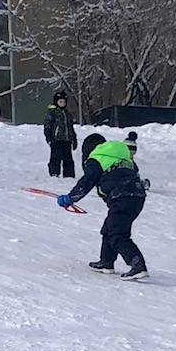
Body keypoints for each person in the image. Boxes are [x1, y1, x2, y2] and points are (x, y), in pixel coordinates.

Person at [57, 133, 148, 280]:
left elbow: (87, 181)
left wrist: (71, 198)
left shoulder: (97, 158)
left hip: (121, 197)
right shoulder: (122, 157)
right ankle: (106, 262)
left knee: (117, 234)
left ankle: (137, 264)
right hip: (137, 197)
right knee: (109, 229)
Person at [43, 90, 77, 179]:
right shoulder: (52, 112)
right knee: (56, 157)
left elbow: (70, 127)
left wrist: (74, 139)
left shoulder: (67, 113)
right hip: (56, 139)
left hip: (67, 139)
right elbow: (47, 125)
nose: (62, 104)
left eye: (64, 102)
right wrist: (49, 137)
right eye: (60, 102)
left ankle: (69, 174)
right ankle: (54, 173)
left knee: (68, 158)